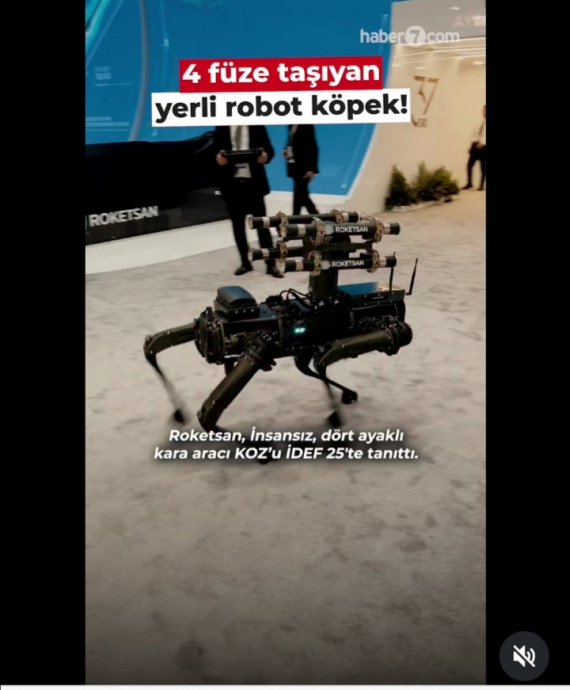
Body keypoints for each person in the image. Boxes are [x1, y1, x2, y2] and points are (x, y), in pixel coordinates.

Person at [214, 125, 283, 278]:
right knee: (238, 228)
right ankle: (245, 263)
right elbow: (213, 151)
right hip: (232, 185)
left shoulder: (257, 127)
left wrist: (265, 156)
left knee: (262, 226)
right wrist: (218, 158)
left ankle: (270, 265)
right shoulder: (222, 128)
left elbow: (269, 150)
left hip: (254, 185)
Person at [283, 124, 320, 214]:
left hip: (304, 166)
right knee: (300, 194)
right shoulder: (291, 125)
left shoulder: (307, 125)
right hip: (294, 165)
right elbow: (291, 140)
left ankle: (314, 216)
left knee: (301, 194)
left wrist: (311, 169)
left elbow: (312, 146)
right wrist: (286, 149)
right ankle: (296, 217)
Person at [463, 105, 486, 191]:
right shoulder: (479, 121)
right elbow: (473, 134)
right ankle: (469, 183)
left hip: (484, 147)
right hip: (475, 145)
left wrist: (483, 144)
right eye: (483, 110)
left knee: (482, 166)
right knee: (469, 165)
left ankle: (481, 185)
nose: (484, 112)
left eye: (486, 110)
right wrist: (470, 146)